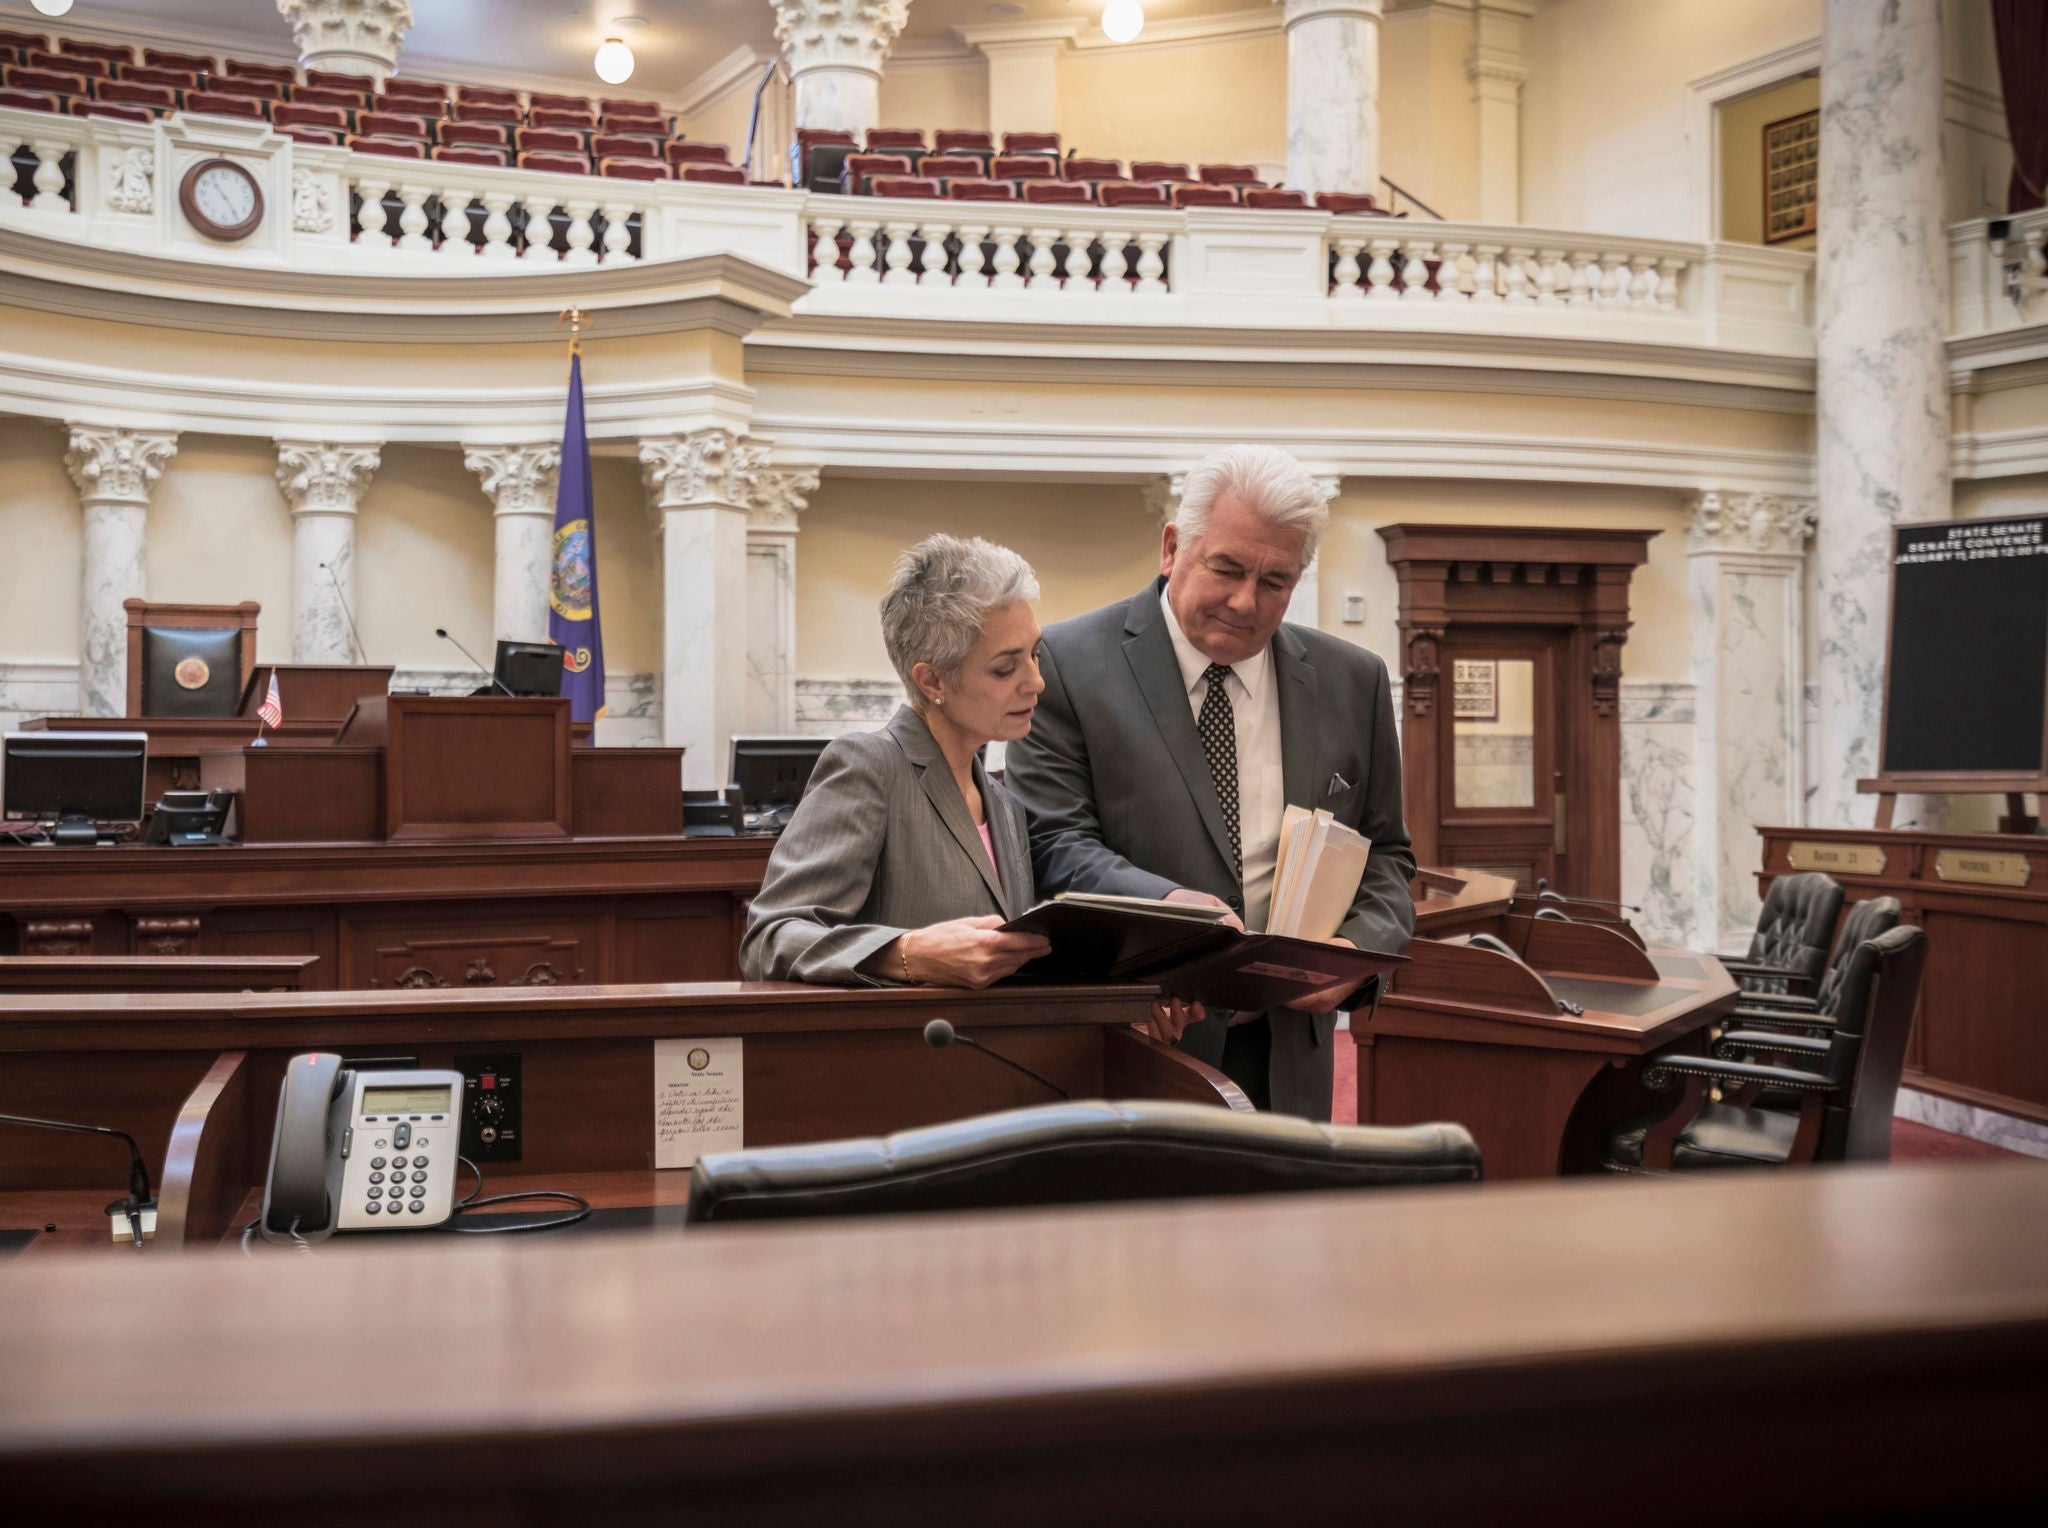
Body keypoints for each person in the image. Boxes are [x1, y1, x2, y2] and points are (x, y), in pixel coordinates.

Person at [1004, 445, 1416, 1120]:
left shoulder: (1354, 681)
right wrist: (1169, 908)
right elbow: (1052, 843)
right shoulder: (1068, 664)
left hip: (1290, 1053)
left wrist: (1351, 951)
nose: (1245, 602)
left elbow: (1388, 857)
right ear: (1172, 547)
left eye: (1276, 582)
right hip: (1137, 1042)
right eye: (1226, 568)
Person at [739, 534, 1053, 989]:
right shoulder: (869, 767)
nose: (1036, 681)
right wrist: (907, 952)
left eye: (1035, 654)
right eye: (1006, 668)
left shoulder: (1003, 801)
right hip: (900, 1053)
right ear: (932, 680)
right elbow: (770, 938)